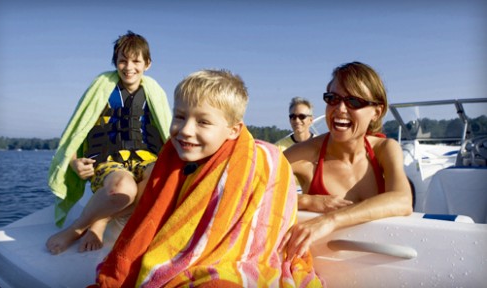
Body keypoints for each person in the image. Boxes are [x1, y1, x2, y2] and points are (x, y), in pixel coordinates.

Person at [91, 69, 321, 287]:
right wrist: (96, 223)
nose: (185, 130)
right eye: (180, 116)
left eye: (203, 122)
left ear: (233, 130)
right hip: (188, 265)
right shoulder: (170, 163)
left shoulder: (258, 162)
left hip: (235, 265)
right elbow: (147, 212)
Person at [46, 31, 172, 255]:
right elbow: (76, 129)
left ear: (147, 64)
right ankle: (77, 228)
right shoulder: (101, 88)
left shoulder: (155, 92)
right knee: (123, 188)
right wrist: (74, 162)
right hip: (108, 161)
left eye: (136, 61)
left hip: (146, 160)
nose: (129, 67)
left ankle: (101, 220)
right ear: (115, 62)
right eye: (122, 61)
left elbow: (167, 131)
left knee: (165, 181)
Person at [279, 61, 413, 259]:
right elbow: (250, 193)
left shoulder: (385, 149)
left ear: (376, 111)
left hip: (374, 261)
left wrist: (330, 220)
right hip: (323, 265)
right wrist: (307, 201)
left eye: (354, 102)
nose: (340, 109)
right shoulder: (304, 156)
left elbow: (402, 201)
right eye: (333, 98)